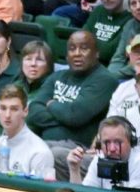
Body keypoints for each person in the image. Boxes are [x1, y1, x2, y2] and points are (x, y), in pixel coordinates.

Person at [26, 30, 118, 180]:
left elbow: (75, 115)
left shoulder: (105, 80)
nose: (77, 53)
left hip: (80, 150)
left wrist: (51, 105)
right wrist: (66, 118)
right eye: (72, 49)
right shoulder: (57, 77)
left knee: (46, 153)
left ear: (96, 53)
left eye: (84, 48)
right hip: (47, 142)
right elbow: (34, 112)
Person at [67, 115, 140, 191]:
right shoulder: (99, 159)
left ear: (131, 142)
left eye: (118, 142)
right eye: (107, 142)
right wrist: (74, 169)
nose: (112, 149)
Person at [0, 84, 56, 179]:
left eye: (14, 109)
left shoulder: (40, 152)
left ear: (25, 111)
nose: (7, 115)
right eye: (3, 108)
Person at [80, 0, 131, 64]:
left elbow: (109, 53)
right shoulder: (98, 11)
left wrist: (92, 48)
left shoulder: (131, 16)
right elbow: (81, 41)